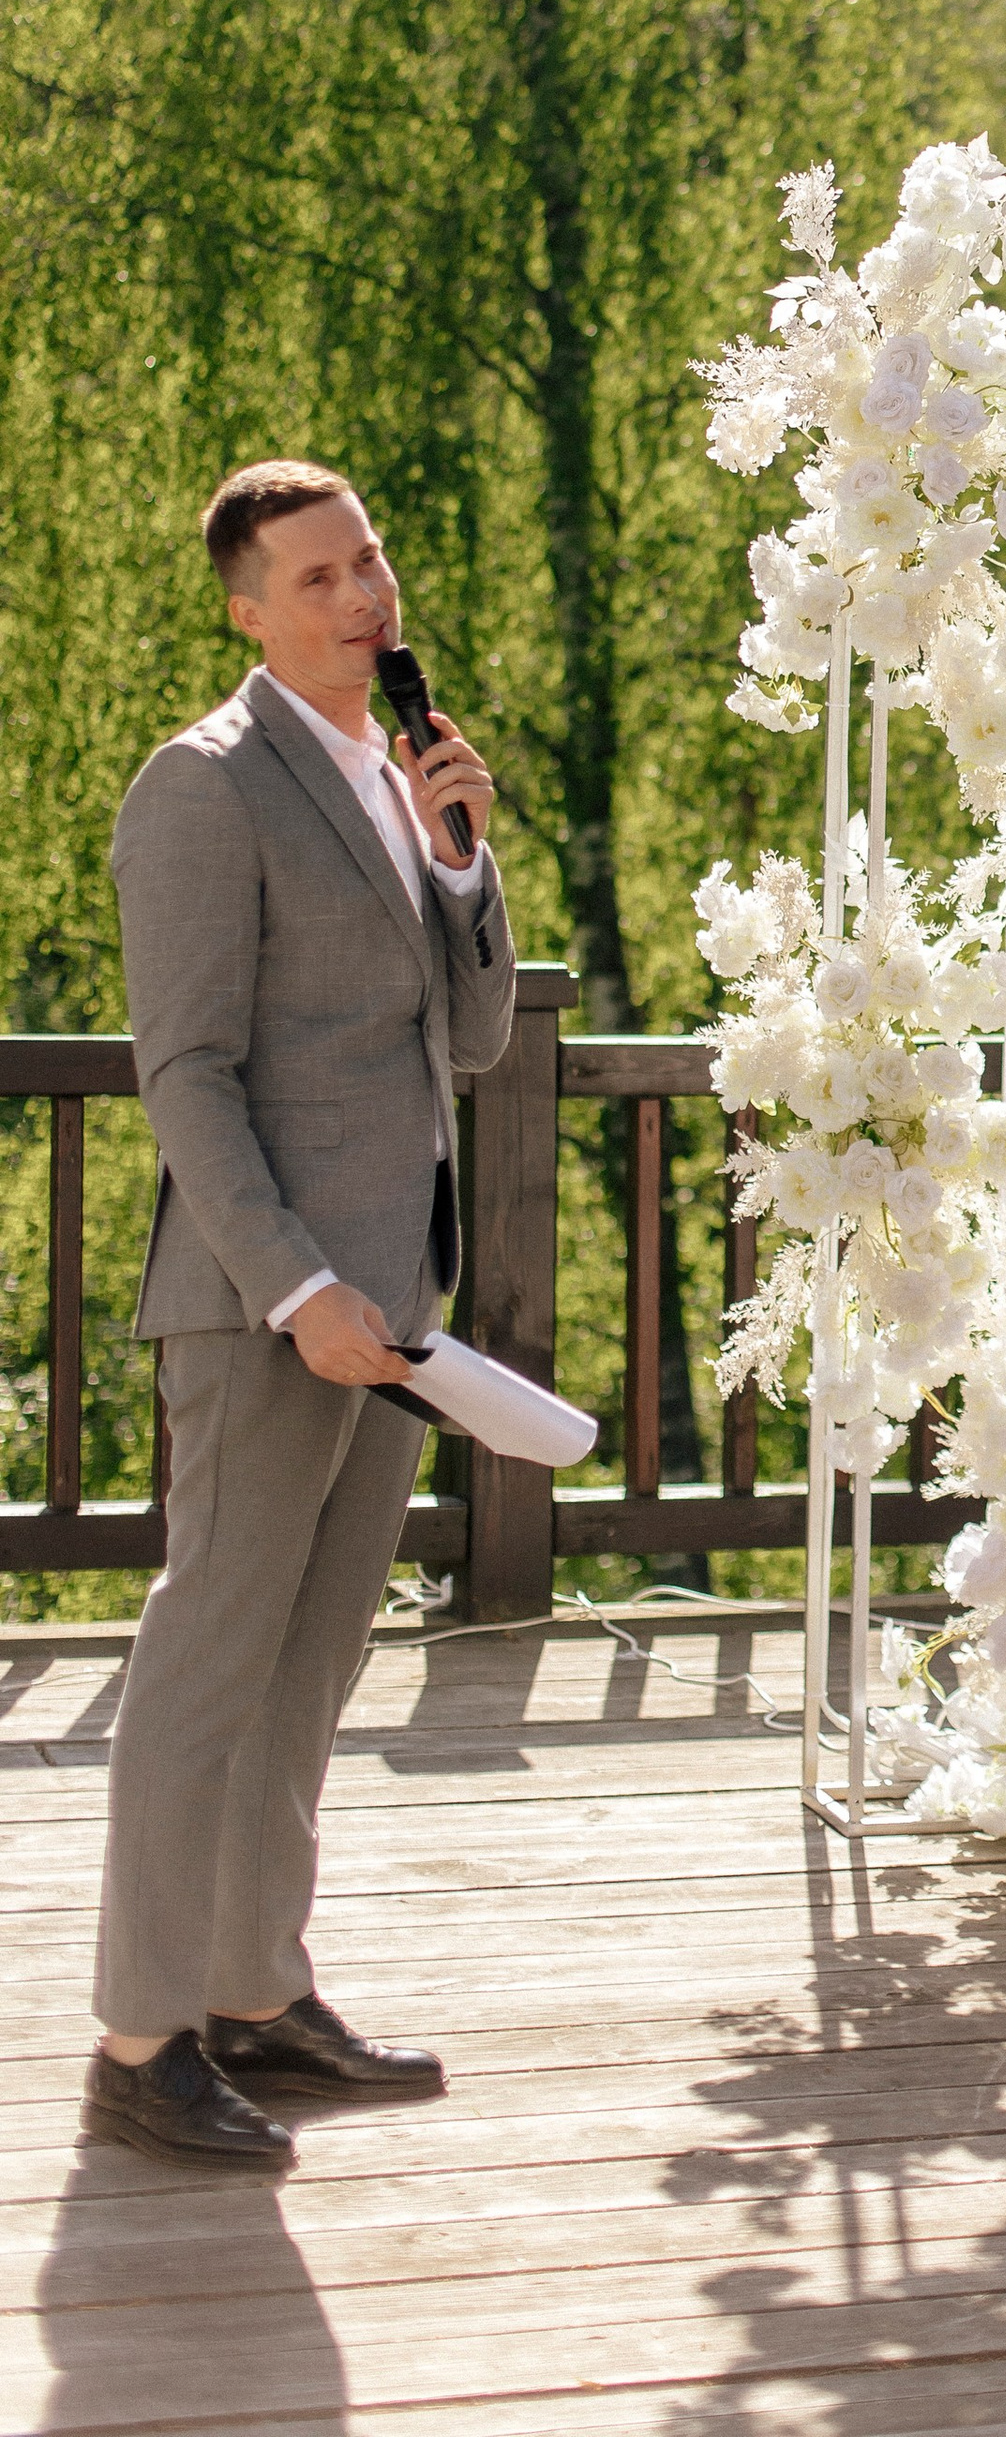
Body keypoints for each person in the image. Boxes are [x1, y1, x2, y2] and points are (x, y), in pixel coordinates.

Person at [83, 463, 516, 2168]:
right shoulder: (199, 788)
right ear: (249, 611)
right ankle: (138, 2040)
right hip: (273, 1304)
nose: (365, 597)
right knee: (206, 1665)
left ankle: (256, 1992)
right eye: (321, 577)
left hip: (392, 1300)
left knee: (310, 1667)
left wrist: (463, 865)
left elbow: (470, 1041)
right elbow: (183, 1076)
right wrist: (297, 1287)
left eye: (373, 562)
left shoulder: (398, 773)